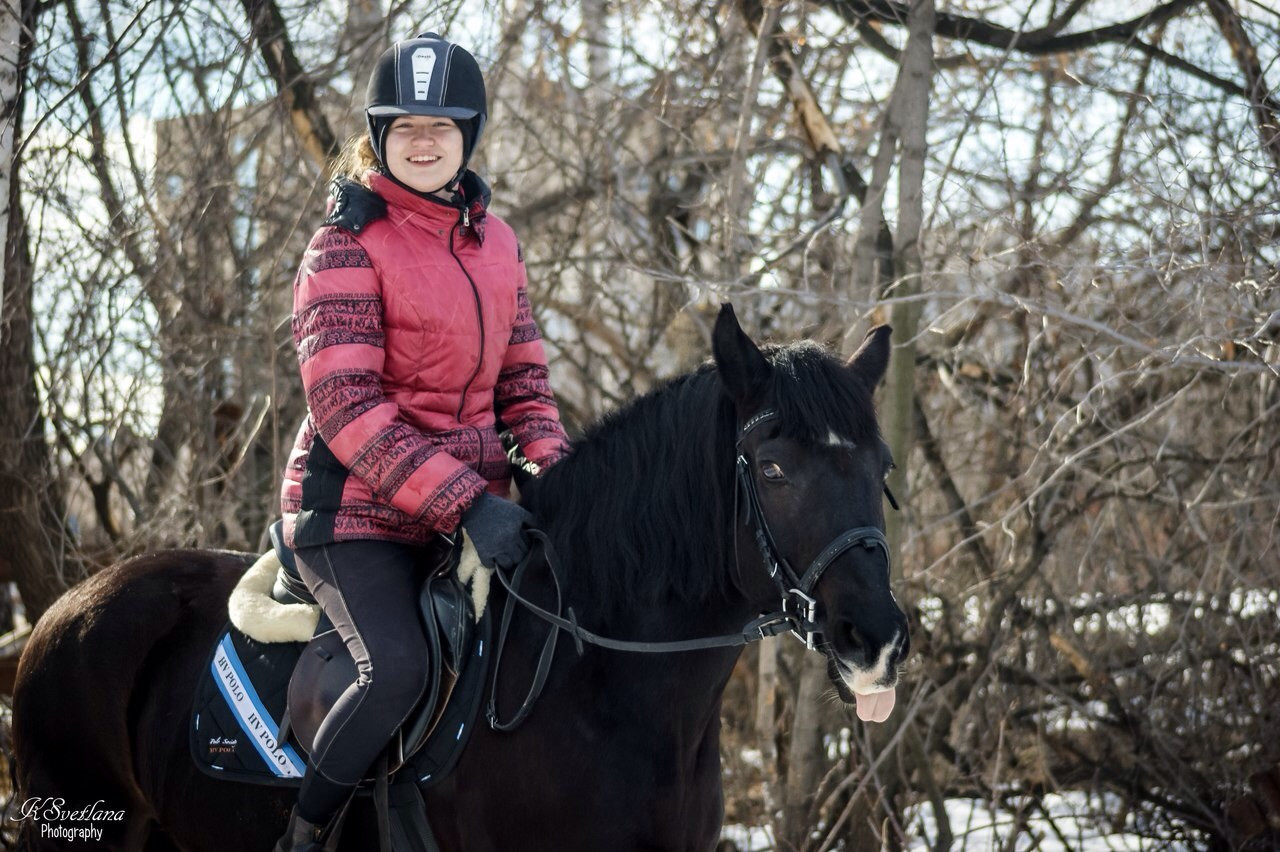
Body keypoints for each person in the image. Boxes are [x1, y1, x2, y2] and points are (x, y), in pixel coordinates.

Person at [273, 32, 571, 852]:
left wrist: (558, 477)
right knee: (398, 667)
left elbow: (525, 386)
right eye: (405, 125)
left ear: (469, 135)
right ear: (378, 136)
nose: (426, 140)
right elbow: (345, 404)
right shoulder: (345, 242)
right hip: (354, 518)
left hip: (470, 513)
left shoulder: (497, 240)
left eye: (444, 124)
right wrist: (466, 502)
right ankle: (305, 833)